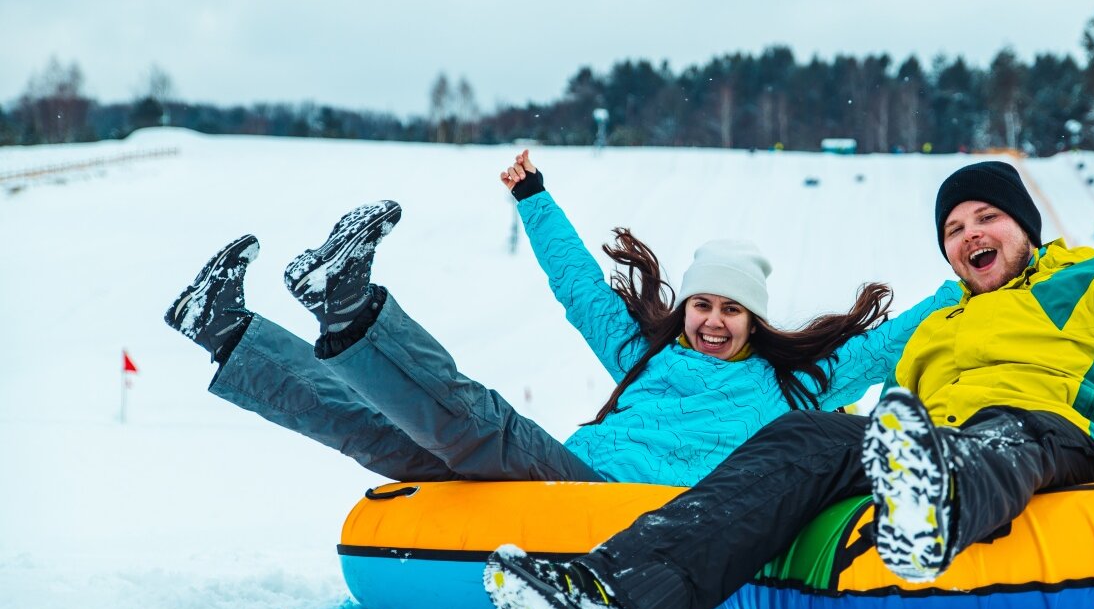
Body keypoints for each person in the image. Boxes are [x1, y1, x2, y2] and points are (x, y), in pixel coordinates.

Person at [484, 160, 1094, 609]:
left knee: (1005, 433)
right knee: (804, 434)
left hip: (1054, 432)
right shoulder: (941, 328)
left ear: (1025, 225)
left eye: (988, 218)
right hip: (939, 437)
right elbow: (889, 422)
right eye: (954, 229)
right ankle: (619, 596)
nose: (971, 235)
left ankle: (935, 510)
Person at [162, 151, 960, 487]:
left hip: (608, 503)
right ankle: (228, 330)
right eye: (702, 304)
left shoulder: (795, 387)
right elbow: (581, 289)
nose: (713, 321)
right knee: (383, 429)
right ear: (685, 308)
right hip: (562, 480)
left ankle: (349, 303)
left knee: (482, 422)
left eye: (731, 310)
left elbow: (897, 338)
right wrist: (533, 198)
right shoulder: (646, 358)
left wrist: (972, 281)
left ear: (754, 320)